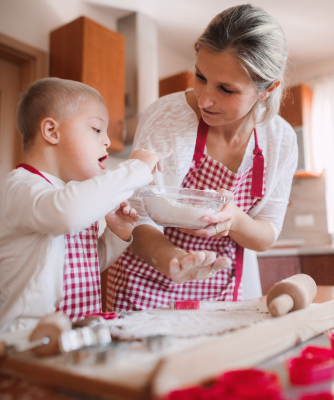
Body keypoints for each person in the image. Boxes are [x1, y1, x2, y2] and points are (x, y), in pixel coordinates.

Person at [107, 4, 297, 311]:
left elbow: (266, 233)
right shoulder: (165, 116)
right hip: (145, 284)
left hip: (219, 291)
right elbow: (137, 215)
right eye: (200, 76)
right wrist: (173, 259)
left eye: (226, 89)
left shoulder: (281, 140)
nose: (205, 98)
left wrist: (234, 219)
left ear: (267, 90)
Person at [0, 78, 171, 334]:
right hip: (27, 339)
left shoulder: (68, 193)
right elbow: (67, 214)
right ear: (51, 131)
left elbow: (84, 267)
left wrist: (114, 235)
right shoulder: (21, 187)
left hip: (76, 336)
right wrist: (135, 167)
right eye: (96, 129)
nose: (107, 141)